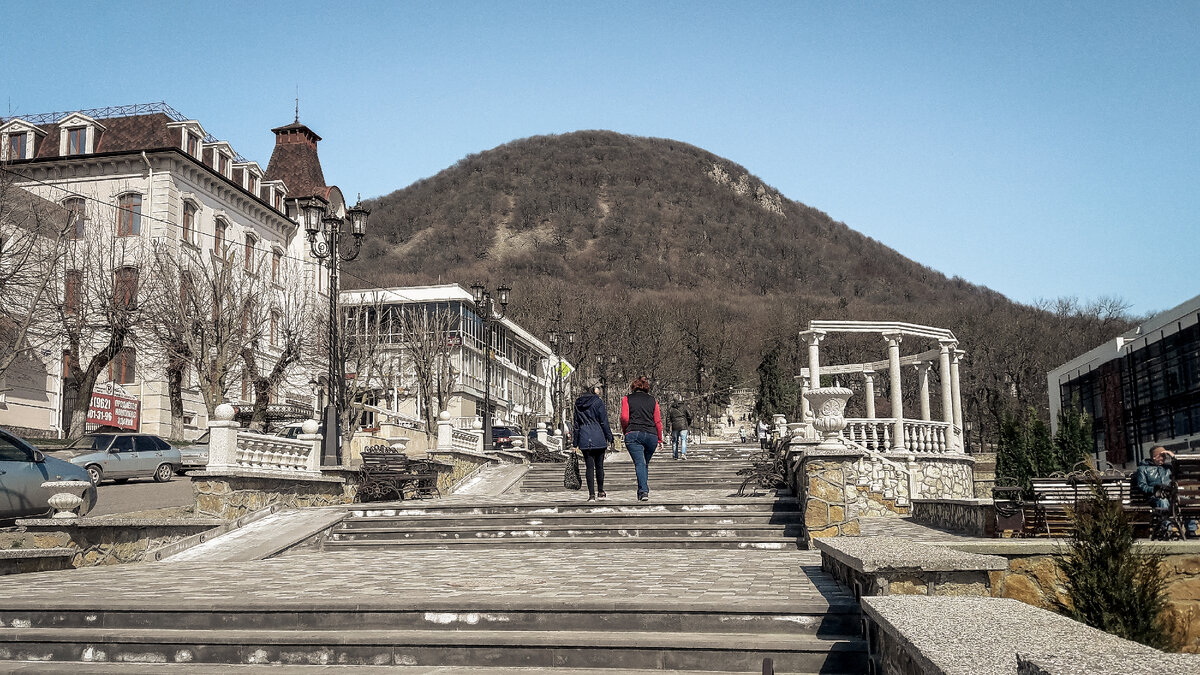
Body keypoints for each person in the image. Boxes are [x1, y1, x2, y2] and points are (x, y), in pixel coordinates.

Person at [1135, 446, 1197, 536]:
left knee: (1184, 500)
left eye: (1165, 456)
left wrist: (1174, 457)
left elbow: (1182, 471)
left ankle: (1191, 529)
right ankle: (1168, 530)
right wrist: (1155, 490)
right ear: (1154, 457)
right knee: (1163, 502)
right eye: (1161, 456)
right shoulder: (1143, 469)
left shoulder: (1168, 468)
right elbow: (1142, 486)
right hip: (1154, 497)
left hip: (1171, 495)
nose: (1164, 459)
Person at [620, 376, 662, 501]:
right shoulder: (653, 400)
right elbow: (658, 421)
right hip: (651, 434)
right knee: (644, 464)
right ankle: (642, 491)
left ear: (633, 388)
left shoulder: (627, 399)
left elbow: (624, 418)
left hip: (634, 433)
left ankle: (643, 491)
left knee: (640, 463)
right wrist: (659, 438)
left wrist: (626, 430)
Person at [572, 379, 614, 502]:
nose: (600, 390)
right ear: (593, 388)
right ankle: (600, 490)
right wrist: (610, 437)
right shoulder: (598, 402)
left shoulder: (578, 403)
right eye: (598, 388)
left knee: (589, 467)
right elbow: (604, 421)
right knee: (599, 466)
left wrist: (575, 443)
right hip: (598, 436)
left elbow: (576, 425)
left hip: (585, 438)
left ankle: (591, 495)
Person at [668, 395, 692, 460]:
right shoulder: (684, 407)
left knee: (675, 441)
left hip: (674, 425)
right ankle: (683, 454)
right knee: (683, 440)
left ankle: (675, 455)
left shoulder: (671, 408)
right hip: (683, 425)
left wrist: (668, 428)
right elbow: (690, 415)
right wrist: (688, 423)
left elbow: (668, 418)